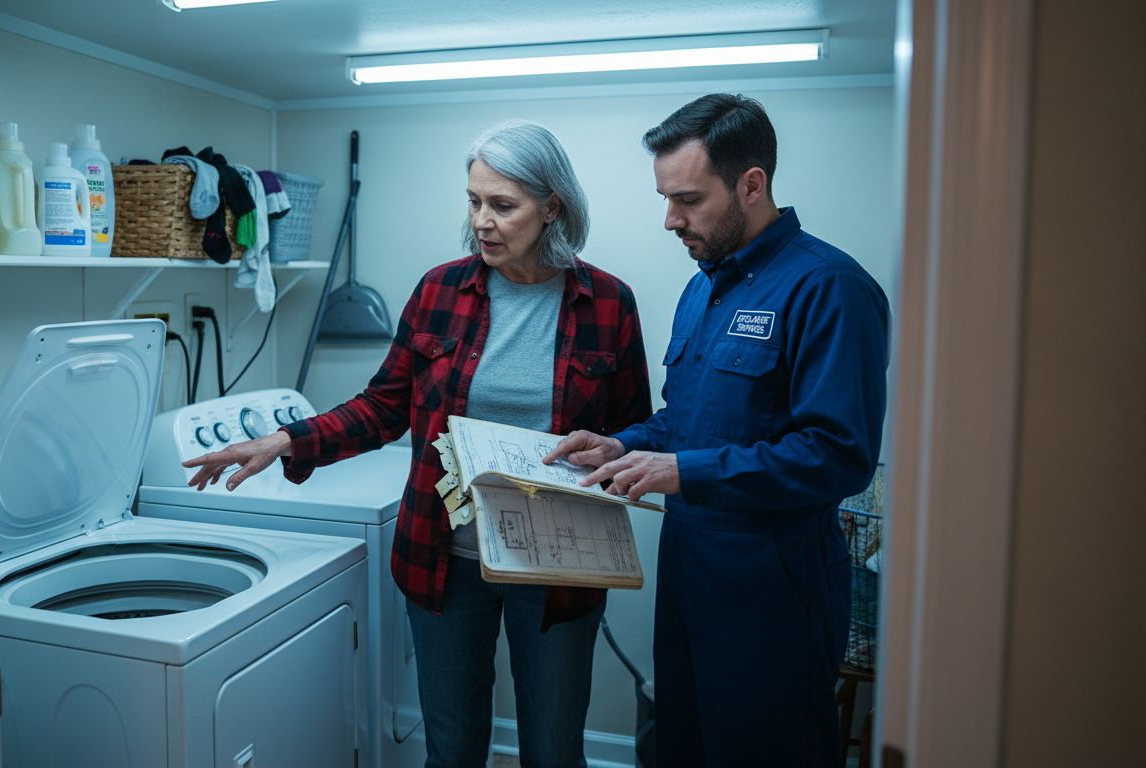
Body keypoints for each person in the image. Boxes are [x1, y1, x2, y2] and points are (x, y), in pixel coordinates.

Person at [182, 120, 652, 768]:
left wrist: (615, 447)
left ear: (553, 207)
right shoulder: (439, 292)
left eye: (503, 205)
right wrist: (286, 440)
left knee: (553, 751)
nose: (482, 220)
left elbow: (636, 430)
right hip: (445, 558)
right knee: (452, 750)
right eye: (474, 200)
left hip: (557, 566)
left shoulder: (608, 303)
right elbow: (384, 406)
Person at [544, 94, 890, 767]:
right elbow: (688, 418)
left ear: (751, 184)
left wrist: (687, 472)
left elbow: (840, 455)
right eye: (665, 198)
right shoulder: (703, 288)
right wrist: (626, 444)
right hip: (689, 573)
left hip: (776, 588)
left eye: (689, 199)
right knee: (686, 746)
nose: (671, 219)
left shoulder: (830, 287)